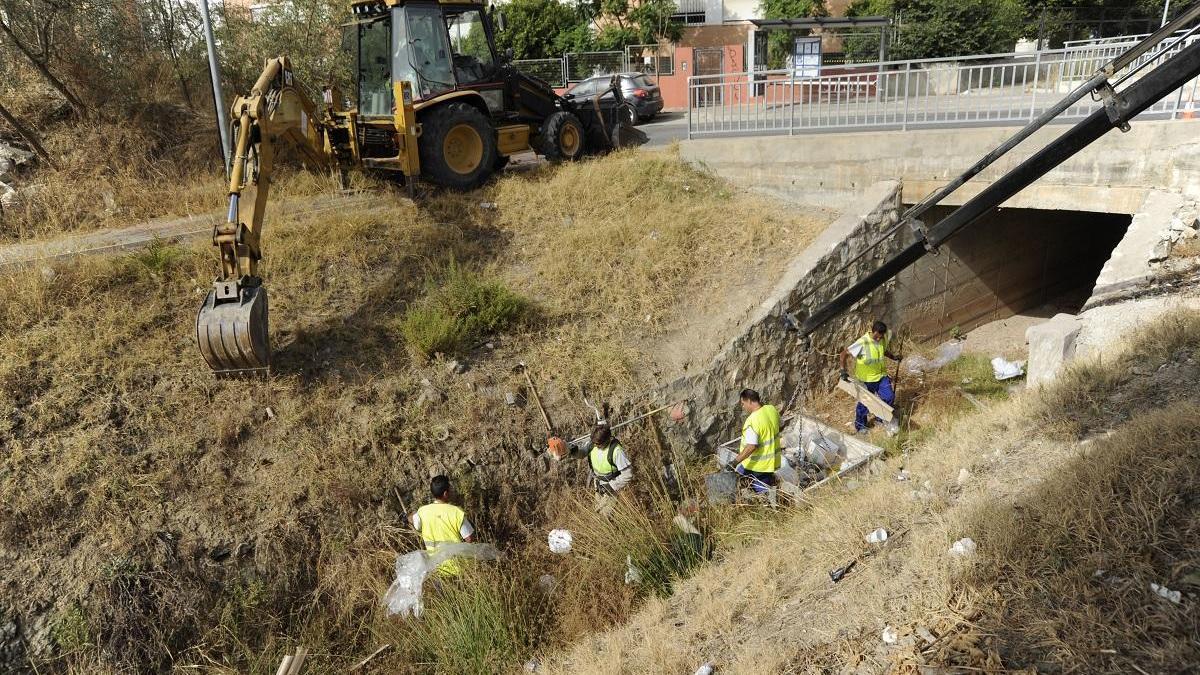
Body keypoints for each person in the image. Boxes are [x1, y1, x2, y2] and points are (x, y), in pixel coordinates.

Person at [839, 320, 901, 432]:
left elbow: (883, 351)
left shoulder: (882, 339)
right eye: (877, 337)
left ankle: (880, 418)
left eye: (881, 337)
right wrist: (843, 371)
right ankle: (860, 425)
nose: (879, 339)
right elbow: (843, 354)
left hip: (881, 376)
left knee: (889, 397)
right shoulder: (862, 342)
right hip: (866, 380)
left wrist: (894, 357)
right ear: (873, 332)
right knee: (865, 403)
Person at [411, 475, 475, 576]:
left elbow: (415, 524)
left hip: (435, 568)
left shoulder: (422, 512)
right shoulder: (456, 512)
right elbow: (469, 539)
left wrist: (410, 516)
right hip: (457, 568)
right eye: (450, 489)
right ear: (445, 493)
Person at [730, 388, 781, 494]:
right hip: (771, 462)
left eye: (743, 404)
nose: (743, 407)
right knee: (740, 480)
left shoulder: (753, 421)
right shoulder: (771, 409)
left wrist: (734, 462)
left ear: (749, 401)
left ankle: (766, 508)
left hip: (757, 466)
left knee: (762, 493)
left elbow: (751, 446)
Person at [589, 423, 633, 495]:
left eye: (597, 444)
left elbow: (628, 474)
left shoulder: (616, 451)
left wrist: (610, 486)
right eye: (593, 443)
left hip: (610, 486)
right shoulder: (595, 441)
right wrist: (572, 450)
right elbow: (582, 452)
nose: (595, 445)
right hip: (597, 483)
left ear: (606, 440)